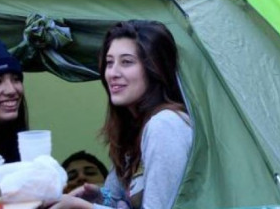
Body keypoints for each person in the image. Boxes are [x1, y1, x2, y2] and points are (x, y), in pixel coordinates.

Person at [51, 20, 192, 209]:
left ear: (154, 68)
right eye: (109, 63)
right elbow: (118, 198)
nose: (112, 73)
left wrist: (83, 208)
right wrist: (100, 198)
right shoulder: (133, 129)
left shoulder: (165, 125)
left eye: (126, 62)